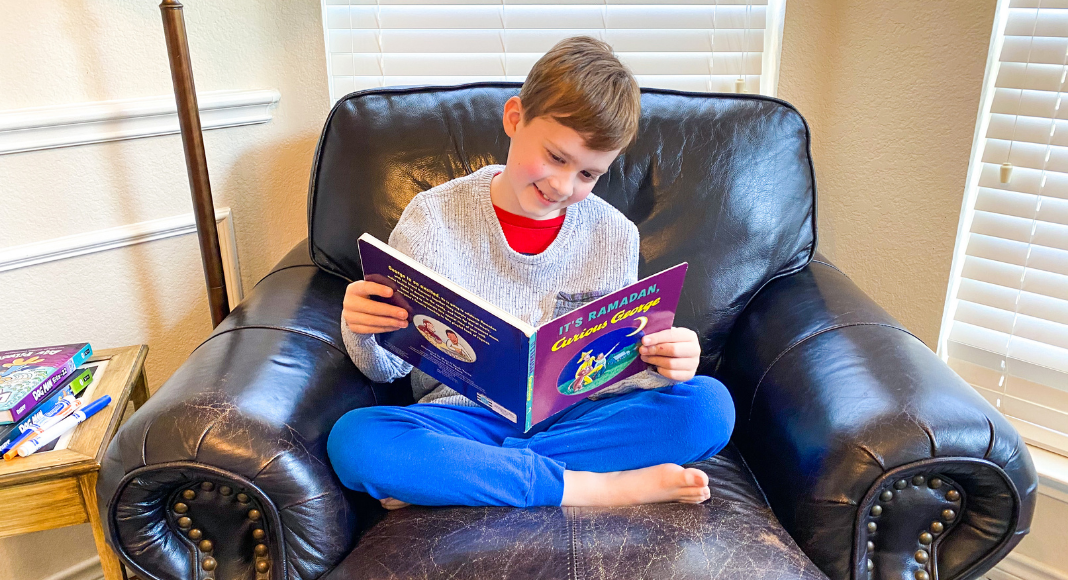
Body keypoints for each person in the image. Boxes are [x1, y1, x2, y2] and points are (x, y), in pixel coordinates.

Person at [329, 36, 735, 510]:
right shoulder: (433, 217)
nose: (563, 185)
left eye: (588, 175)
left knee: (709, 407)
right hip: (464, 419)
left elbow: (616, 374)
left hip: (577, 417)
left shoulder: (614, 234)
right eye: (557, 157)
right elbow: (386, 367)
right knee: (354, 439)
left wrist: (664, 364)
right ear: (515, 118)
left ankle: (461, 475)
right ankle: (589, 488)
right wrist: (363, 326)